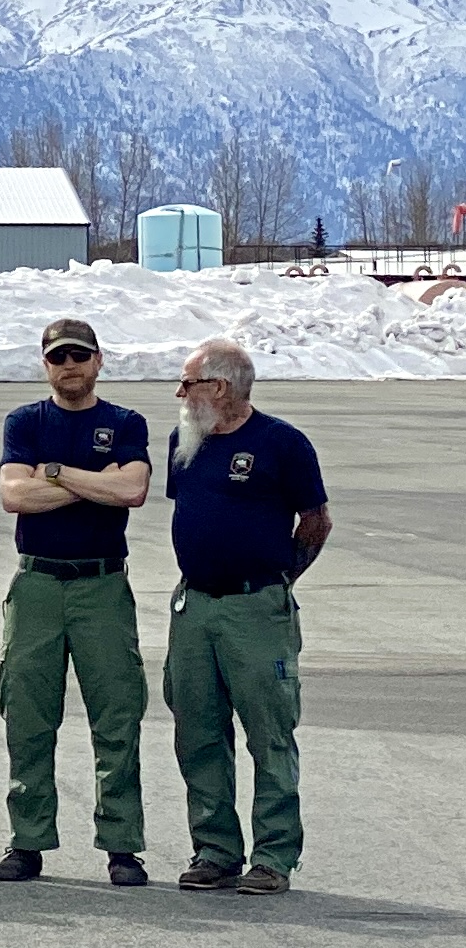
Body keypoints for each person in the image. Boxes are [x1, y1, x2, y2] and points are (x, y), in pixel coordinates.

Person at [0, 314, 155, 885]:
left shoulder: (125, 422)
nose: (70, 367)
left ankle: (122, 844)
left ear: (98, 360)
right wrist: (93, 483)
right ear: (45, 364)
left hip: (102, 586)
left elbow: (131, 489)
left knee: (117, 715)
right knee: (29, 716)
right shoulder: (26, 421)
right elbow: (15, 495)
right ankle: (28, 840)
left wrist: (57, 474)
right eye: (58, 357)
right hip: (38, 583)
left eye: (79, 356)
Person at [162, 337, 326, 894]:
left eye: (190, 383)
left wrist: (279, 580)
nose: (181, 394)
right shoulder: (184, 443)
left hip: (256, 609)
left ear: (222, 387)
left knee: (269, 733)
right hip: (194, 607)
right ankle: (215, 850)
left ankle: (274, 855)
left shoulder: (282, 443)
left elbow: (315, 521)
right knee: (198, 733)